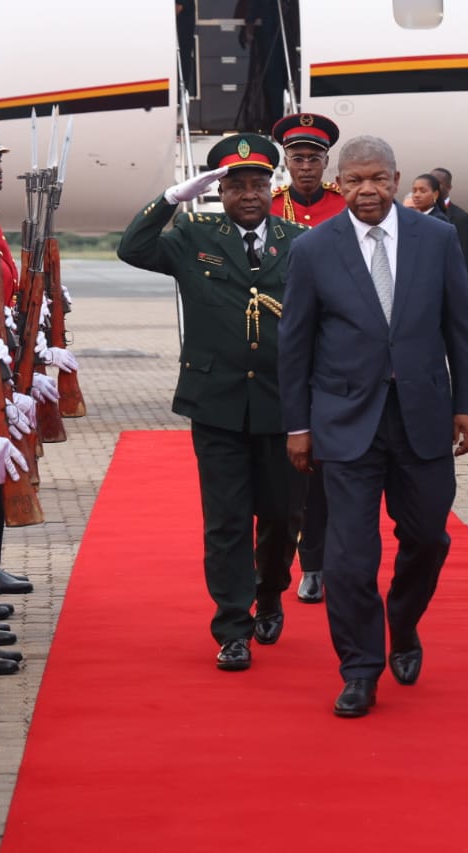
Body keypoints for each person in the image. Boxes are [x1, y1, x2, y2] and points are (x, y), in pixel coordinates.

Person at [278, 134, 468, 717]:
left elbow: (459, 327)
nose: (366, 190)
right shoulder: (313, 249)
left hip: (423, 417)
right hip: (345, 422)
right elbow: (294, 345)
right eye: (354, 181)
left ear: (396, 180)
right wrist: (297, 425)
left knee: (428, 537)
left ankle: (404, 620)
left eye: (377, 179)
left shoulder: (436, 239)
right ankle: (360, 668)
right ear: (339, 184)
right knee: (348, 556)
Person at [118, 133, 308, 672]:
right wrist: (171, 199)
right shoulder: (193, 235)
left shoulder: (299, 242)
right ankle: (232, 628)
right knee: (226, 521)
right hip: (217, 404)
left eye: (258, 184)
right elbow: (133, 248)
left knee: (282, 515)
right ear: (219, 192)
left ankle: (270, 592)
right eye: (236, 185)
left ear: (271, 188)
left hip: (281, 403)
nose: (248, 194)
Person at [269, 111, 345, 605]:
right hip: (281, 348)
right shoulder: (269, 207)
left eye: (313, 158)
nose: (305, 166)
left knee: (324, 472)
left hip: (333, 351)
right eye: (297, 158)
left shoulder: (344, 205)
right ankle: (277, 562)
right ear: (287, 161)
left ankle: (315, 563)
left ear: (325, 161)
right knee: (284, 475)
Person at [431, 166, 468, 286]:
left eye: (438, 183)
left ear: (449, 187)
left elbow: (465, 262)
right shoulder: (418, 214)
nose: (434, 186)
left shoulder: (461, 219)